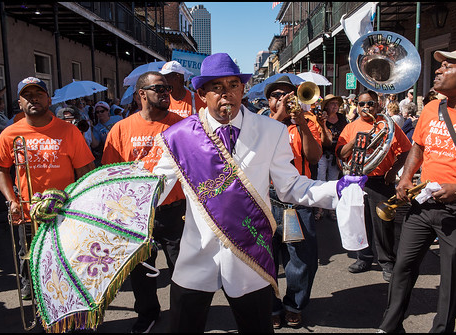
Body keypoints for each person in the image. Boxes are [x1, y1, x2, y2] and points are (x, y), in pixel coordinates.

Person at [148, 53, 363, 333]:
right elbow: (154, 188)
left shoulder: (271, 131)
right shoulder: (179, 137)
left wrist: (334, 190)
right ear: (201, 94)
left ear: (243, 88)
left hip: (249, 257)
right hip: (196, 255)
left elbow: (290, 186)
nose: (227, 94)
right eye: (217, 87)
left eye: (234, 85)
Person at [378, 47, 456, 333]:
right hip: (423, 207)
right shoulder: (433, 107)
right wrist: (406, 176)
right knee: (401, 269)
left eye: (448, 66)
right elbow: (418, 146)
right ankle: (390, 327)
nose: (438, 70)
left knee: (451, 283)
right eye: (440, 66)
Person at [0, 77, 95, 299]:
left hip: (65, 213)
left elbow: (85, 170)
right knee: (30, 259)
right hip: (28, 213)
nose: (33, 100)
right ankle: (34, 294)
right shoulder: (10, 134)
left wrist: (81, 202)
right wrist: (12, 200)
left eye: (38, 95)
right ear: (19, 103)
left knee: (66, 262)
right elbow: (0, 171)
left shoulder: (69, 131)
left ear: (48, 99)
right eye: (27, 96)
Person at [101, 71, 186, 333]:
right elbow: (109, 175)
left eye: (168, 89)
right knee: (140, 270)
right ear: (141, 94)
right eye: (159, 88)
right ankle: (148, 314)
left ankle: (184, 316)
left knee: (183, 268)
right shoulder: (121, 129)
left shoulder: (184, 125)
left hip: (176, 211)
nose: (165, 93)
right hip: (136, 214)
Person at [264, 75, 323, 328]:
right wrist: (277, 118)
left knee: (301, 259)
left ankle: (294, 305)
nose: (284, 99)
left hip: (298, 199)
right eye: (278, 95)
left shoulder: (306, 122)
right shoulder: (259, 124)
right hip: (266, 198)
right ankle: (271, 306)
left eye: (289, 94)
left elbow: (315, 156)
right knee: (265, 258)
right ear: (268, 101)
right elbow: (253, 153)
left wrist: (302, 125)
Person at [336, 90, 412, 282]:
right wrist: (356, 140)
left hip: (380, 181)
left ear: (377, 105)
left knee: (383, 224)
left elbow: (406, 150)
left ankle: (387, 262)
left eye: (370, 104)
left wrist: (393, 171)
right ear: (357, 106)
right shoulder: (351, 127)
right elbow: (341, 153)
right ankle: (364, 258)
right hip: (357, 181)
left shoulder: (387, 125)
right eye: (362, 104)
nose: (366, 108)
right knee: (360, 222)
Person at [315, 94, 346, 221]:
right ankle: (320, 208)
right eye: (332, 103)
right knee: (321, 181)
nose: (335, 106)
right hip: (323, 154)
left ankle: (331, 209)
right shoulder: (321, 118)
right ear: (326, 105)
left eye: (336, 104)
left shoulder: (342, 118)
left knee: (334, 182)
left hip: (336, 155)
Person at [91, 101, 122, 166]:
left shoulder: (118, 118)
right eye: (97, 112)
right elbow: (95, 144)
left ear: (108, 111)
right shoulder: (96, 128)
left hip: (123, 148)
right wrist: (89, 129)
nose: (100, 113)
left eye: (102, 111)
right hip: (110, 153)